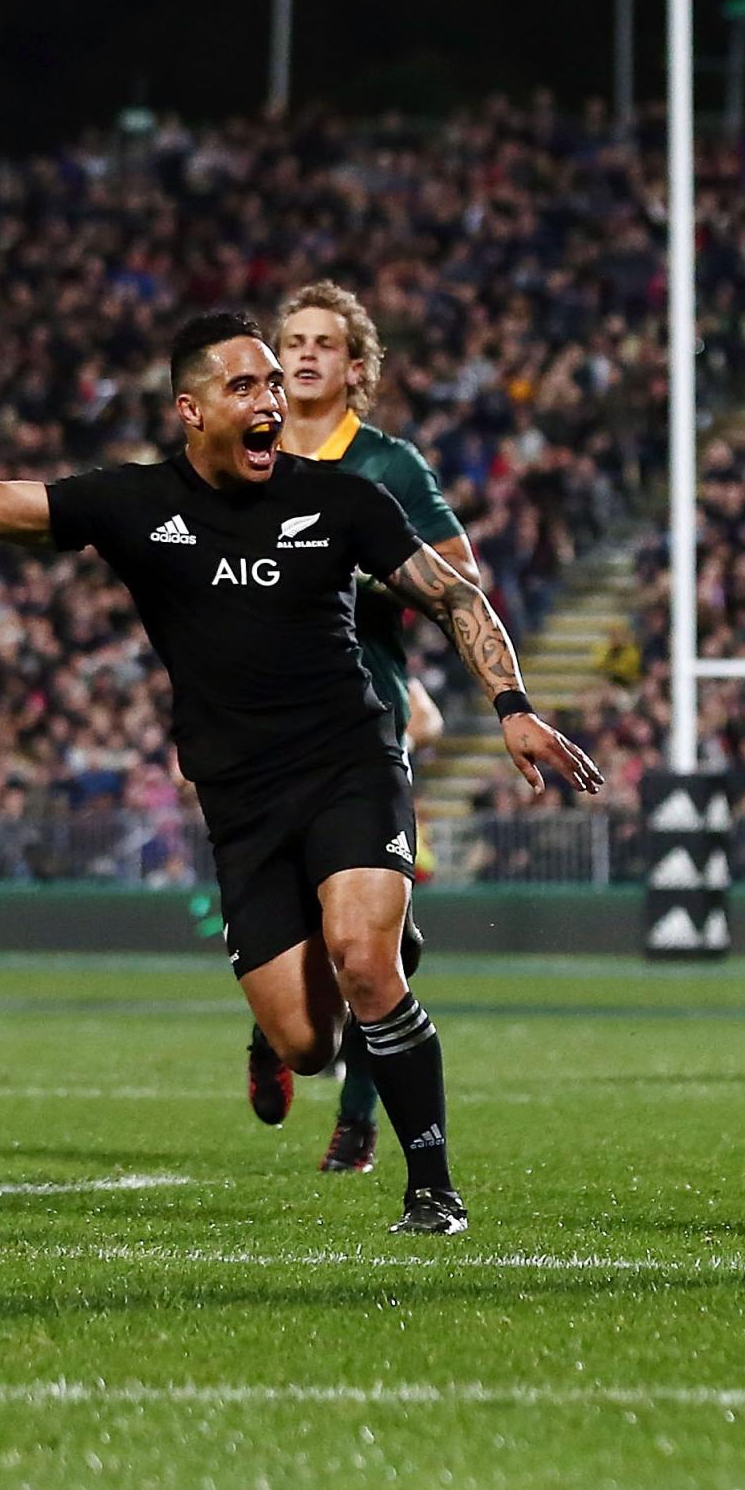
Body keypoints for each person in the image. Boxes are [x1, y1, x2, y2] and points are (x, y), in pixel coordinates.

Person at [0, 310, 602, 1235]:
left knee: (368, 961)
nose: (270, 400)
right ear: (191, 408)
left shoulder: (341, 501)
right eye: (245, 386)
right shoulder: (135, 504)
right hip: (242, 803)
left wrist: (514, 707)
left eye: (275, 386)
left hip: (350, 761)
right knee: (310, 1037)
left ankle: (433, 1188)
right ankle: (293, 1016)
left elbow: (454, 592)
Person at [269, 280, 478, 1175]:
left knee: (358, 935)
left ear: (357, 369)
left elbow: (459, 568)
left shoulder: (387, 466)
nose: (304, 354)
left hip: (363, 712)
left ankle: (358, 1118)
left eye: (324, 343)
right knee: (302, 923)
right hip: (258, 717)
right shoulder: (246, 454)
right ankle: (271, 1020)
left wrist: (351, 566)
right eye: (292, 340)